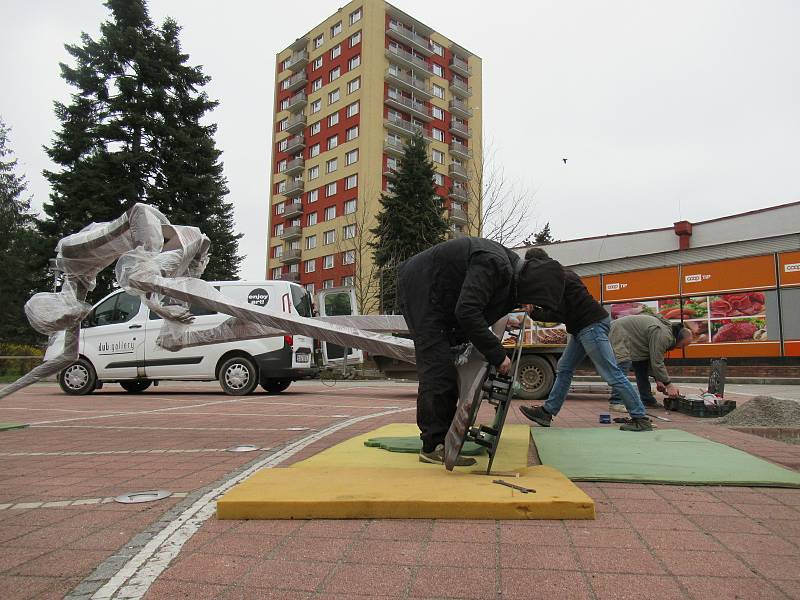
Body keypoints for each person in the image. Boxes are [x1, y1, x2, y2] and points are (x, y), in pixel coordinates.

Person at [396, 237, 566, 466]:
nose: (530, 308)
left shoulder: (511, 277)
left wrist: (496, 332)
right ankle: (433, 445)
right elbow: (467, 311)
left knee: (449, 359)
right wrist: (497, 355)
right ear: (532, 286)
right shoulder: (494, 264)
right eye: (533, 302)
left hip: (440, 292)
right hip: (422, 287)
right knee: (437, 365)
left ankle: (442, 436)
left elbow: (482, 307)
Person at [518, 248, 654, 432]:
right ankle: (547, 412)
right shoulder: (561, 273)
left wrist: (534, 312)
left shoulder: (558, 277)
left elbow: (557, 312)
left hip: (591, 326)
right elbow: (562, 311)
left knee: (611, 373)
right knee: (564, 368)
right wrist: (536, 312)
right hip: (584, 327)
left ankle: (640, 417)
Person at [607, 314, 693, 412]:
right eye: (684, 345)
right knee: (623, 364)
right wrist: (669, 385)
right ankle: (616, 402)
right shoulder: (664, 336)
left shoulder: (668, 332)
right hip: (619, 331)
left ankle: (647, 400)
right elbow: (657, 362)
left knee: (642, 366)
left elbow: (652, 358)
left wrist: (659, 380)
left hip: (634, 340)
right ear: (679, 339)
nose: (682, 348)